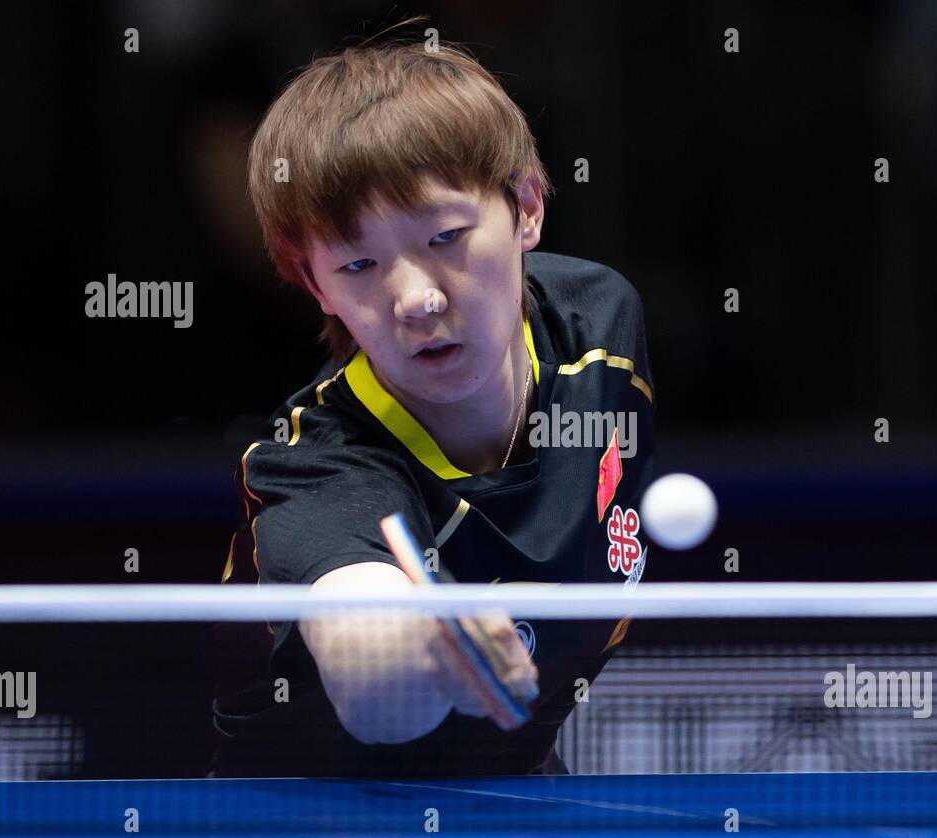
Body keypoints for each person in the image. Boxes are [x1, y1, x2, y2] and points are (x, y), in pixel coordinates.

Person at [213, 26, 656, 777]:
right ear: (318, 288)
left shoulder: (599, 326)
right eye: (358, 264)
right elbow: (371, 683)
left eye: (446, 236)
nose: (416, 298)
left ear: (525, 208)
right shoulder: (313, 465)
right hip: (318, 829)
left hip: (517, 802)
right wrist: (427, 649)